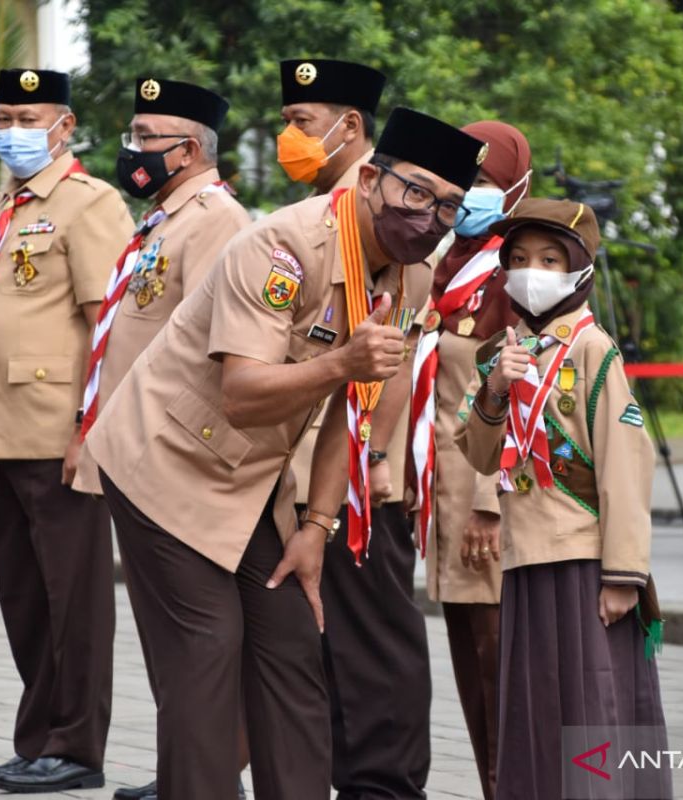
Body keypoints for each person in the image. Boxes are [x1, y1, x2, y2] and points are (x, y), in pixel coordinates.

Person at [85, 107, 485, 800]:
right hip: (165, 460)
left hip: (255, 478)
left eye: (448, 205)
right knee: (207, 654)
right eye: (416, 192)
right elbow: (243, 392)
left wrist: (316, 527)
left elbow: (349, 411)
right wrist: (344, 366)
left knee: (293, 647)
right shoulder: (282, 248)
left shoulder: (409, 276)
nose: (429, 216)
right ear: (370, 180)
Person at [68, 76, 251, 800]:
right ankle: (185, 769)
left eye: (148, 139)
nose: (133, 151)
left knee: (191, 636)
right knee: (166, 638)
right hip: (136, 450)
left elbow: (214, 348)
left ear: (189, 148)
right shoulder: (165, 218)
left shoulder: (215, 221)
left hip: (174, 455)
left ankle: (204, 777)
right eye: (134, 136)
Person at [0, 68, 133, 793]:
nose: (13, 130)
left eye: (29, 116)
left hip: (58, 430)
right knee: (24, 598)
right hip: (0, 431)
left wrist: (90, 430)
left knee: (74, 600)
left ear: (64, 125)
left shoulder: (89, 204)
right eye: (4, 116)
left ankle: (77, 748)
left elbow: (108, 325)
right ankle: (37, 741)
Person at [458, 198, 669, 800]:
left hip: (583, 559)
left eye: (551, 259)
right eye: (520, 258)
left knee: (589, 708)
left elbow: (627, 465)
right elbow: (478, 454)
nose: (534, 270)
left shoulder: (591, 347)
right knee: (534, 709)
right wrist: (494, 391)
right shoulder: (508, 350)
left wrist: (624, 573)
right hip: (525, 557)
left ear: (579, 270)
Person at [277, 58, 435, 800]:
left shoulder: (381, 216)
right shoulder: (321, 211)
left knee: (373, 641)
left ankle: (384, 786)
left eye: (303, 123)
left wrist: (373, 460)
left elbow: (391, 361)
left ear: (351, 129)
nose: (289, 137)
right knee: (331, 638)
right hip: (316, 463)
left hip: (354, 473)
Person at [406, 120, 529, 800]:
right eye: (461, 184)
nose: (468, 196)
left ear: (514, 186)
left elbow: (519, 393)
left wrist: (488, 501)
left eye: (483, 183)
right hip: (443, 496)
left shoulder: (518, 271)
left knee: (498, 664)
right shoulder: (447, 259)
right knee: (469, 662)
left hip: (486, 503)